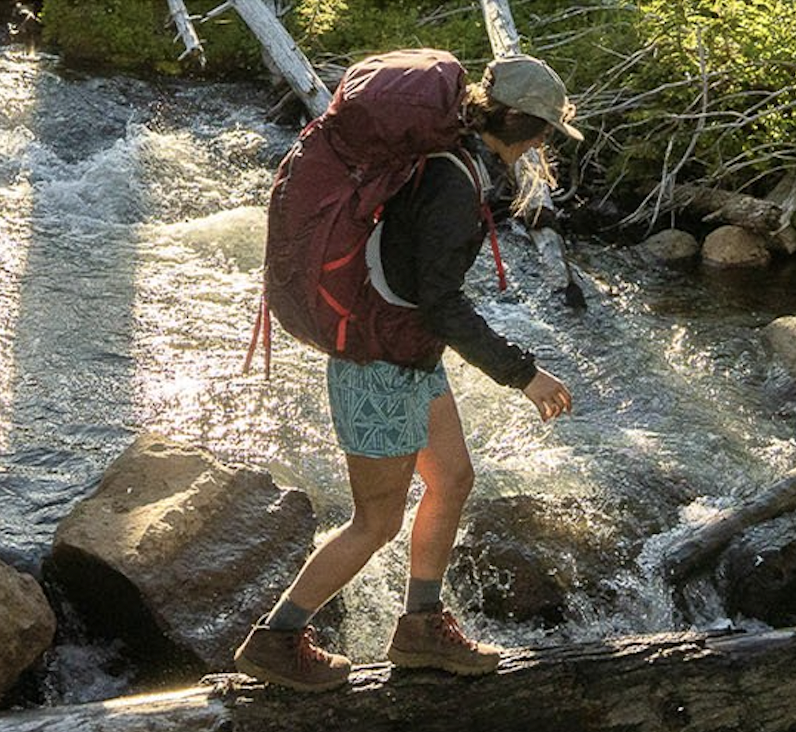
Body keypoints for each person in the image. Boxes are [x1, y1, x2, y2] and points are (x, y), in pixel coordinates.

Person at [234, 54, 582, 692]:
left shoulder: (457, 159)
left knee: (451, 479)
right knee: (376, 521)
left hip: (408, 355)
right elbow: (439, 300)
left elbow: (425, 295)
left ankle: (419, 627)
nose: (542, 144)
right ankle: (278, 638)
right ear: (520, 123)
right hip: (379, 363)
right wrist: (523, 373)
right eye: (543, 131)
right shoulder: (456, 182)